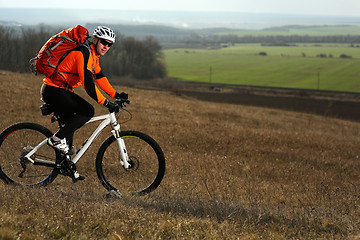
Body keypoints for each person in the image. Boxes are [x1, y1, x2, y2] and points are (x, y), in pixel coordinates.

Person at [41, 26, 128, 181]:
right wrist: (106, 102)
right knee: (87, 111)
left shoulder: (93, 56)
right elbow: (88, 83)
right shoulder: (84, 53)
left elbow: (99, 77)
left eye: (110, 45)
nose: (106, 47)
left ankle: (66, 165)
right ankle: (55, 140)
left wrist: (116, 94)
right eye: (104, 42)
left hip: (61, 90)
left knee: (70, 122)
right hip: (54, 90)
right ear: (95, 40)